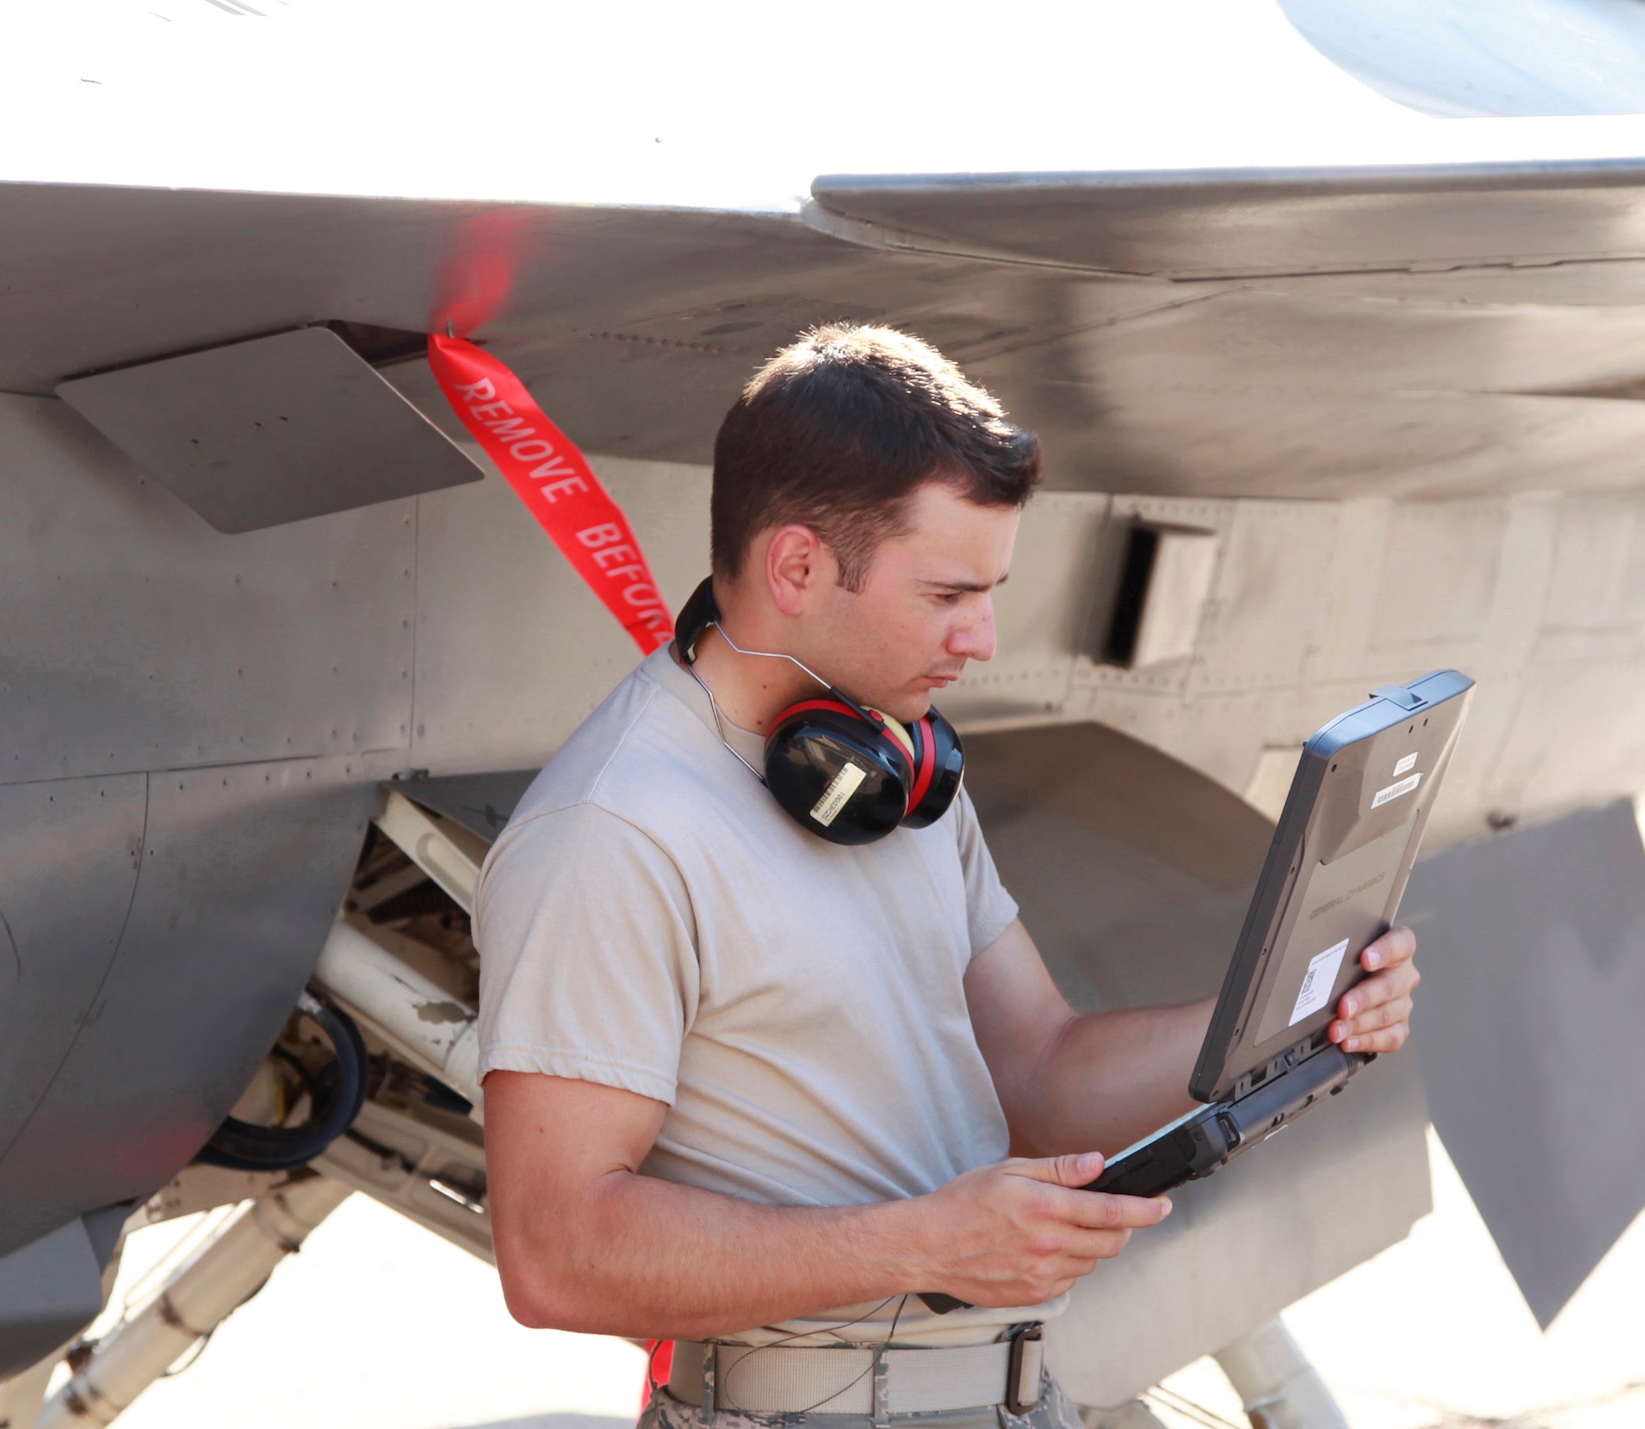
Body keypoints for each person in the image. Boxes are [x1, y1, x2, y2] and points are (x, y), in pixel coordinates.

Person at [472, 325, 1420, 1429]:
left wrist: (1297, 1010)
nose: (982, 635)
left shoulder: (898, 773)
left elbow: (1042, 1074)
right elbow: (554, 1254)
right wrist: (924, 1242)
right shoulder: (617, 828)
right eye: (944, 595)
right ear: (796, 566)